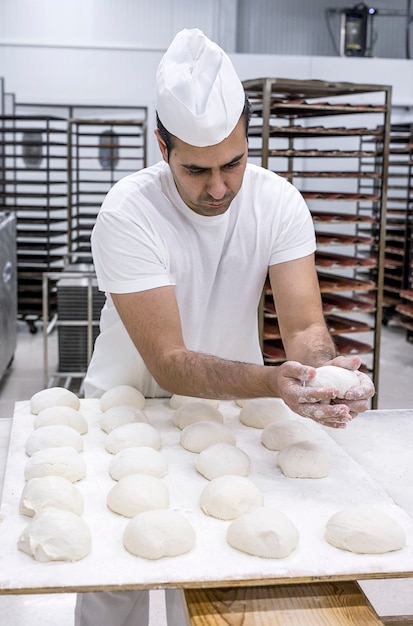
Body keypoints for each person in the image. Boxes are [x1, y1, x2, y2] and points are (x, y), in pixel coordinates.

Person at [76, 27, 375, 626]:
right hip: (126, 407)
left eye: (232, 163)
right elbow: (167, 360)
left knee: (223, 568)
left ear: (247, 139)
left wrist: (320, 371)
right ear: (162, 148)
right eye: (195, 170)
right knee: (118, 576)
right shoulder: (129, 211)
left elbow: (305, 323)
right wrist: (274, 383)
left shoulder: (279, 202)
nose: (218, 187)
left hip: (226, 408)